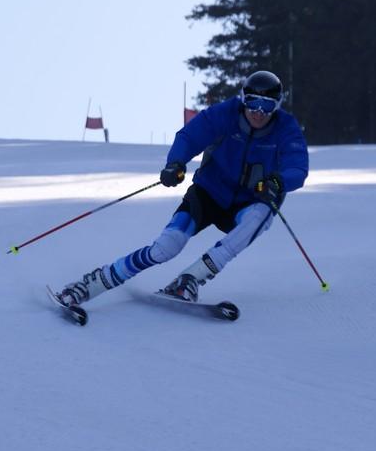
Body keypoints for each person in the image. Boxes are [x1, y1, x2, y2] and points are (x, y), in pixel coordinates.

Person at [54, 70, 309, 305]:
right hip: (208, 194)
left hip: (250, 202)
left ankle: (191, 278)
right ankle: (93, 283)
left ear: (277, 106)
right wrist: (175, 163)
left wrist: (278, 181)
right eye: (253, 102)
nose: (259, 112)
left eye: (267, 106)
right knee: (166, 247)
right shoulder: (225, 114)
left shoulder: (286, 128)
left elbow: (297, 167)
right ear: (243, 99)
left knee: (260, 215)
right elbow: (190, 136)